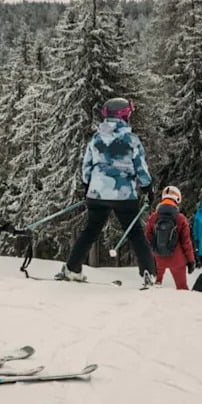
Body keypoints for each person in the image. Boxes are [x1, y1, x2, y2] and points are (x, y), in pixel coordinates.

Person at [55, 97, 156, 283]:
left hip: (98, 193)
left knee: (91, 231)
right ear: (124, 115)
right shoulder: (131, 140)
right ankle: (148, 273)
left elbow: (87, 166)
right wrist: (147, 187)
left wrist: (88, 186)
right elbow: (141, 167)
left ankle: (72, 268)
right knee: (135, 234)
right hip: (124, 194)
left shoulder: (96, 139)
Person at [144, 185, 195, 289]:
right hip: (177, 259)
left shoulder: (153, 217)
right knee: (182, 288)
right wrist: (191, 260)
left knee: (154, 287)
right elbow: (186, 242)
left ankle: (154, 293)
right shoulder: (180, 218)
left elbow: (147, 237)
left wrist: (150, 255)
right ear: (177, 199)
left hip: (158, 258)